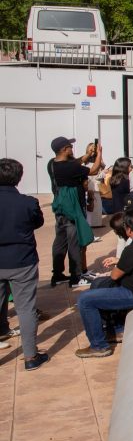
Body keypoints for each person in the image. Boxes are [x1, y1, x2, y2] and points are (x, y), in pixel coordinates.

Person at [74, 210, 133, 359]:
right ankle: (117, 329)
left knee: (85, 300)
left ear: (129, 229)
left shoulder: (132, 249)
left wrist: (118, 264)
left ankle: (98, 346)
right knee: (98, 284)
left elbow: (115, 275)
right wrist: (119, 261)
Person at [0, 159, 49, 370]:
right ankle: (30, 357)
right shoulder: (28, 203)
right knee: (25, 308)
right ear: (19, 178)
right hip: (22, 260)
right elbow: (38, 222)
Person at [47, 136, 103, 288]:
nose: (72, 148)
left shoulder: (52, 164)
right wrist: (99, 154)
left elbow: (75, 163)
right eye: (70, 147)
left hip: (60, 209)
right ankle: (76, 277)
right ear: (64, 149)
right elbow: (93, 170)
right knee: (75, 242)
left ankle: (57, 275)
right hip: (72, 210)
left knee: (60, 242)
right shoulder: (70, 168)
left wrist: (87, 155)